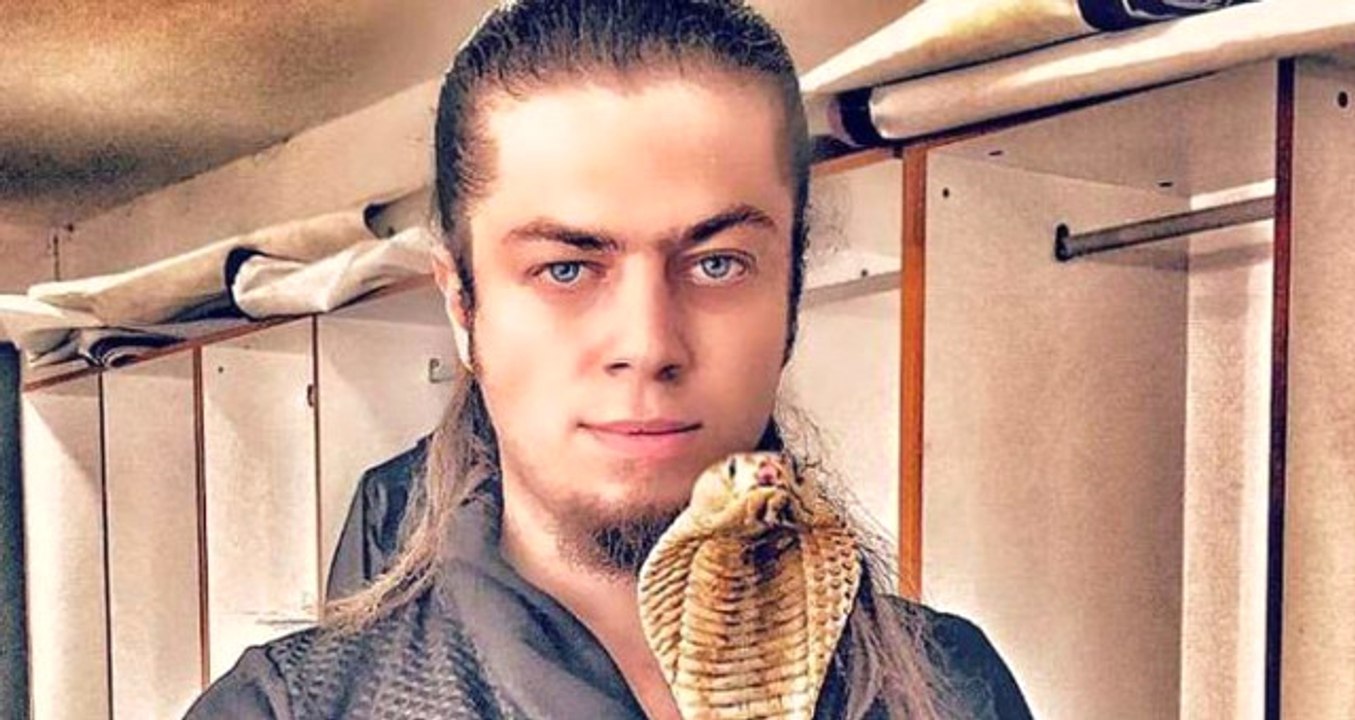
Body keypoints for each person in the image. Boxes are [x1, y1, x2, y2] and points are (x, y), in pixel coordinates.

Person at [185, 1, 1033, 718]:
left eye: (717, 263)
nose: (647, 344)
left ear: (790, 292)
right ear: (463, 307)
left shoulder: (954, 690)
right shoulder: (287, 710)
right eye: (565, 269)